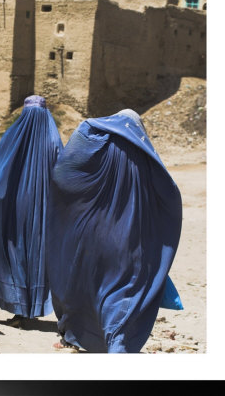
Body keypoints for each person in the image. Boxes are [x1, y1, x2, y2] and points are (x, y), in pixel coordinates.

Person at [46, 109, 183, 352]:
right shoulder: (145, 153)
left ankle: (80, 336)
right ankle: (116, 345)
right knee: (120, 293)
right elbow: (169, 194)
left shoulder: (95, 137)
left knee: (87, 286)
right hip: (128, 239)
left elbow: (62, 173)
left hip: (91, 236)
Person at [0, 95, 63, 326]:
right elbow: (65, 176)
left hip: (13, 210)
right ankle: (29, 309)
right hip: (43, 212)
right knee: (36, 256)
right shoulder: (53, 141)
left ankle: (18, 310)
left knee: (14, 253)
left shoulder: (12, 137)